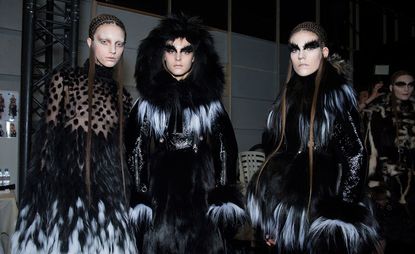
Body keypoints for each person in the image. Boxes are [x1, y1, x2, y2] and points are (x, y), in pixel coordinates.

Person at [246, 22, 381, 254]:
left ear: (324, 52)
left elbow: (355, 155)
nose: (301, 55)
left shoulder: (334, 96)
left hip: (321, 207)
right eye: (294, 48)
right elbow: (274, 155)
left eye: (309, 47)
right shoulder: (286, 97)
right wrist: (271, 218)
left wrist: (340, 217)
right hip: (287, 209)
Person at [12, 14, 137, 253]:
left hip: (108, 202)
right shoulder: (65, 81)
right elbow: (45, 145)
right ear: (90, 43)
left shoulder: (124, 97)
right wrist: (38, 205)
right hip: (68, 201)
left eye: (119, 44)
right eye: (105, 41)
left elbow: (123, 157)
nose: (113, 50)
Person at [125, 13, 245, 253]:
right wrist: (140, 198)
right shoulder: (147, 104)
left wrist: (222, 198)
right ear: (162, 54)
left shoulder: (210, 104)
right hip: (161, 198)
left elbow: (226, 149)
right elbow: (134, 150)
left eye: (186, 50)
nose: (178, 57)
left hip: (202, 194)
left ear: (196, 56)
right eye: (171, 49)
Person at [363, 70, 415, 253]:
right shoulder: (378, 113)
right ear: (392, 87)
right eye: (401, 84)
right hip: (387, 183)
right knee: (382, 235)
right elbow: (372, 152)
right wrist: (376, 186)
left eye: (410, 84)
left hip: (411, 186)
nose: (406, 88)